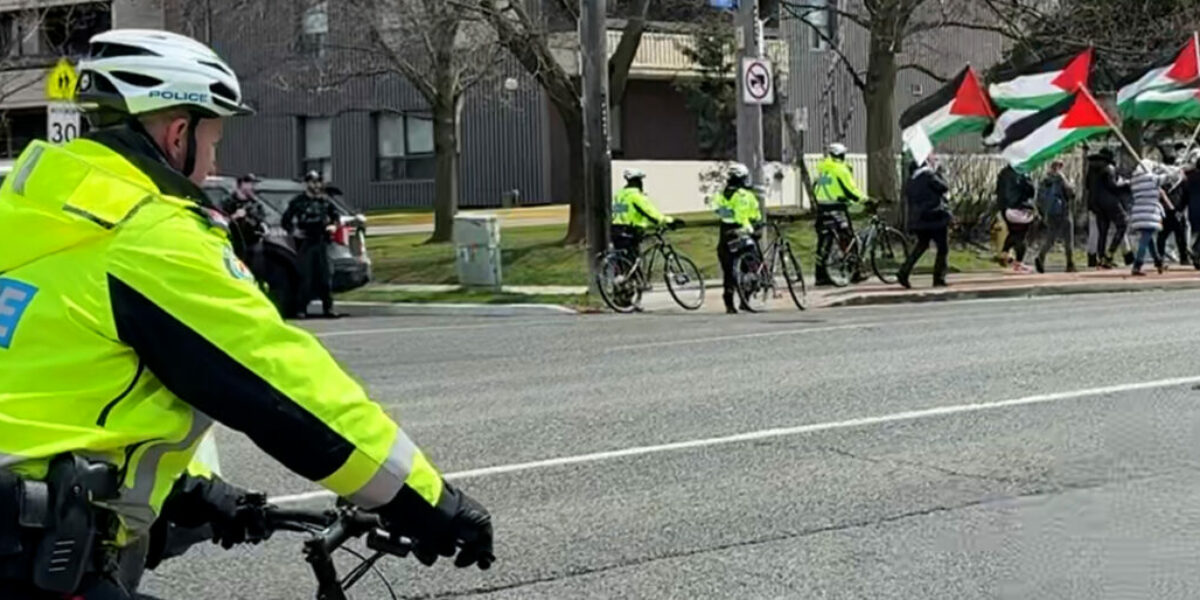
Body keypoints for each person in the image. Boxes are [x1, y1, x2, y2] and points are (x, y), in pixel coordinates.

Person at [0, 30, 492, 599]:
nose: (214, 164)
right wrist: (430, 503)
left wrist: (195, 493)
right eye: (214, 139)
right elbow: (284, 389)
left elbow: (54, 386)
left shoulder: (26, 215)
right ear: (179, 133)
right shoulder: (148, 236)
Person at [282, 170, 341, 319]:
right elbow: (286, 221)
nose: (315, 185)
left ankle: (328, 308)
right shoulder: (298, 202)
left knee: (325, 277)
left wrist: (333, 226)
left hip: (322, 241)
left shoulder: (325, 201)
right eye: (312, 182)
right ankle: (301, 309)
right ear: (306, 183)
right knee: (305, 277)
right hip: (306, 242)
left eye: (317, 182)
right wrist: (293, 231)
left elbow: (336, 217)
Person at [813, 143, 865, 285]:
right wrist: (865, 200)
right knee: (848, 238)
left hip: (821, 209)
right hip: (837, 208)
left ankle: (820, 276)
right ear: (841, 155)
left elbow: (817, 186)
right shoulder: (840, 169)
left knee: (824, 243)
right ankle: (855, 272)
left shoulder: (823, 169)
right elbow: (851, 190)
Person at [714, 163, 762, 314]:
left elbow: (717, 210)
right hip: (741, 232)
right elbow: (743, 217)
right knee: (752, 265)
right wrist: (752, 229)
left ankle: (729, 302)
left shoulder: (721, 194)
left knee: (728, 271)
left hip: (725, 233)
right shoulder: (743, 195)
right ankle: (745, 298)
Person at [897, 155, 951, 289]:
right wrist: (938, 171)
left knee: (921, 246)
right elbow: (944, 187)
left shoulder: (910, 181)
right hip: (935, 217)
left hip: (918, 220)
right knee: (943, 248)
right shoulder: (929, 176)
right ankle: (938, 278)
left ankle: (904, 271)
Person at [611, 168, 679, 264]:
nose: (641, 183)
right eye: (640, 180)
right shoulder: (635, 195)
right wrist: (668, 221)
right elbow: (649, 212)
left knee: (624, 261)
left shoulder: (619, 195)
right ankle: (632, 277)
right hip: (630, 230)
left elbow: (622, 212)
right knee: (632, 261)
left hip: (616, 230)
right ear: (636, 181)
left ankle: (623, 276)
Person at [1085, 148, 1131, 269]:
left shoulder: (1091, 169)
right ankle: (1110, 254)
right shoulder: (1109, 168)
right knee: (1123, 225)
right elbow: (1113, 186)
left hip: (1096, 204)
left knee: (1102, 232)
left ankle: (1101, 259)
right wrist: (1126, 184)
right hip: (1111, 203)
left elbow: (1087, 186)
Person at [220, 173, 269, 278]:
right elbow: (221, 221)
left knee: (255, 273)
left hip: (253, 244)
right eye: (250, 184)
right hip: (234, 244)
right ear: (241, 184)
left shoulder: (256, 204)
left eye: (253, 184)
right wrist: (235, 216)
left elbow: (262, 220)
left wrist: (262, 226)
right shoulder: (227, 202)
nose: (252, 187)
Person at [1033, 159, 1077, 274]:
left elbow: (1039, 199)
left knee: (1051, 238)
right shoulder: (1060, 179)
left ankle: (1041, 256)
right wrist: (1068, 182)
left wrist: (1043, 213)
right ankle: (1070, 263)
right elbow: (1071, 194)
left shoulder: (1044, 181)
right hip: (1064, 212)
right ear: (1059, 167)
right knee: (1068, 238)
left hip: (1051, 213)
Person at [996, 164, 1037, 272]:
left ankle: (1005, 252)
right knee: (1021, 236)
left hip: (1005, 208)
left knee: (1013, 232)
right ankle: (1018, 262)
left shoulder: (1003, 173)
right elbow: (1030, 190)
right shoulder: (1022, 173)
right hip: (1019, 208)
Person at [1129, 160, 1167, 275]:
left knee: (1148, 238)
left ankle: (1158, 261)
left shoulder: (1134, 180)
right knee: (1145, 240)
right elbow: (1166, 178)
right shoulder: (1152, 178)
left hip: (1138, 211)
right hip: (1149, 212)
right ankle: (1137, 264)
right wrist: (1176, 171)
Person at [1156, 151, 1189, 265]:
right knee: (1180, 235)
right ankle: (1184, 258)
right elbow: (1185, 193)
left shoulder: (1160, 175)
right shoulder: (1180, 174)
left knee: (1162, 235)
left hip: (1165, 209)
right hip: (1177, 208)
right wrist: (1182, 208)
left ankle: (1159, 257)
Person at [1186, 152, 1200, 268]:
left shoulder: (1190, 177)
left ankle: (1193, 249)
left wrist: (1179, 208)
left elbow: (1185, 194)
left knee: (1196, 230)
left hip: (1192, 207)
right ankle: (1193, 249)